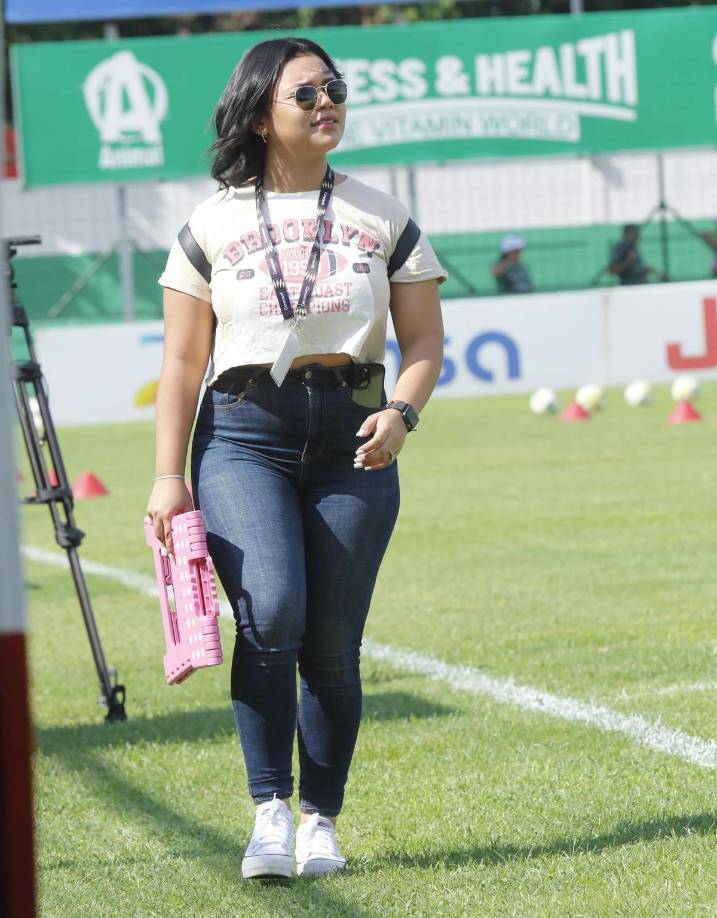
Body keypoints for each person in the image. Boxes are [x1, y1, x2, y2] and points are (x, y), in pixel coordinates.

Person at [146, 37, 446, 881]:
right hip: (244, 434)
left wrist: (401, 412)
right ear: (259, 112)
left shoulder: (383, 212)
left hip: (357, 435)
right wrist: (169, 478)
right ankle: (268, 812)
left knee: (332, 646)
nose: (327, 103)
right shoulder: (210, 221)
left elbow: (423, 340)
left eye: (336, 89)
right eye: (307, 92)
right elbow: (178, 364)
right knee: (270, 610)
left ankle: (321, 821)